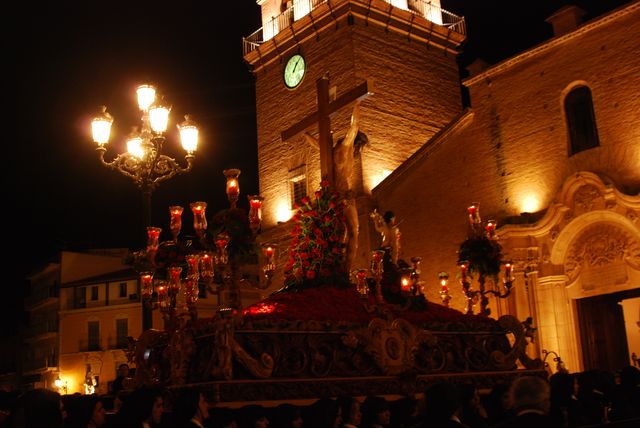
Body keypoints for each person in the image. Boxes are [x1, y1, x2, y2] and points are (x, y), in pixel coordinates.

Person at [305, 101, 367, 273]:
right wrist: (357, 103)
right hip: (344, 197)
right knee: (354, 231)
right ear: (356, 143)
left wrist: (305, 133)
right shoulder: (346, 148)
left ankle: (336, 267)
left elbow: (315, 143)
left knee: (338, 234)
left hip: (330, 199)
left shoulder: (330, 152)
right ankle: (345, 271)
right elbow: (354, 125)